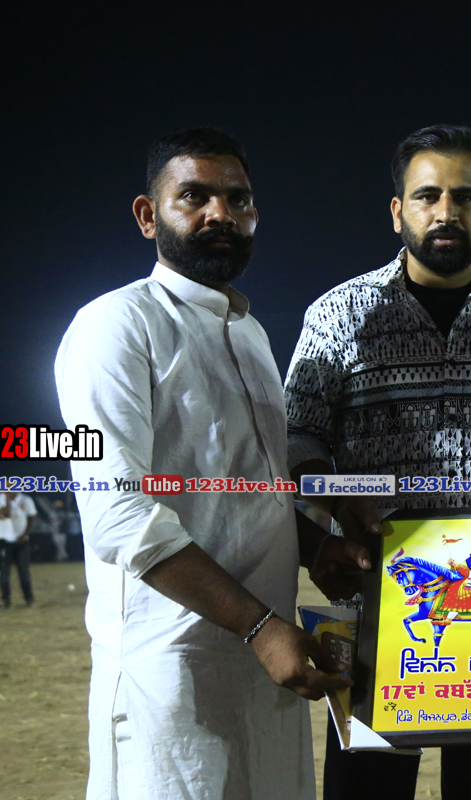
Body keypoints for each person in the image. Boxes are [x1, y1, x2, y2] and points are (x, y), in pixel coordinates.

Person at [284, 124, 471, 800]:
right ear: (398, 211)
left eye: (465, 197)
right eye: (427, 196)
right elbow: (296, 437)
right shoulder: (339, 314)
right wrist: (338, 504)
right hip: (377, 596)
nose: (446, 211)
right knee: (366, 793)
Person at [55, 127, 350, 800]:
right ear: (147, 215)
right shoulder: (115, 326)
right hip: (172, 670)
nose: (220, 213)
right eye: (195, 196)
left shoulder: (249, 334)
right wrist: (258, 626)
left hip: (269, 665)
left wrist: (317, 548)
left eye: (237, 199)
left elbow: (248, 490)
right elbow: (118, 512)